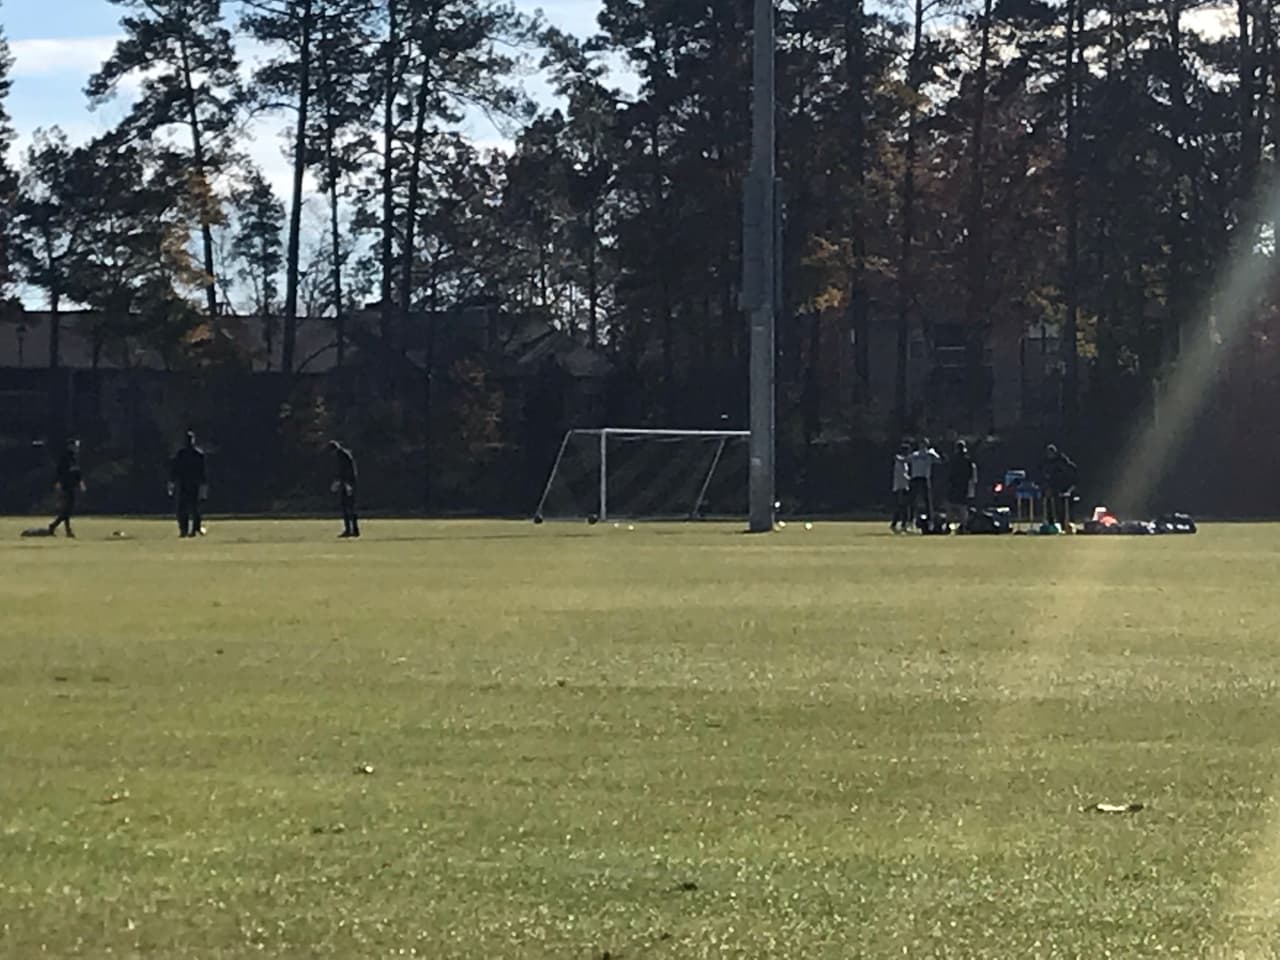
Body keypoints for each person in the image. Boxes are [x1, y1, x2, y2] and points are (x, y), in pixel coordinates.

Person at [169, 430, 208, 538]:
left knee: (183, 509)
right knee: (194, 508)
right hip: (193, 485)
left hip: (183, 484)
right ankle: (194, 529)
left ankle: (184, 530)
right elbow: (202, 473)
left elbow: (175, 470)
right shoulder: (198, 454)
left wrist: (172, 482)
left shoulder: (181, 454)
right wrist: (204, 486)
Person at [48, 438, 86, 538]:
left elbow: (78, 473)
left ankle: (56, 527)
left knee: (67, 510)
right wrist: (58, 483)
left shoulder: (75, 458)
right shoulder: (65, 458)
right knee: (67, 510)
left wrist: (81, 483)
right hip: (66, 486)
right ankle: (61, 528)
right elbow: (59, 472)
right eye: (75, 446)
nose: (77, 448)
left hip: (72, 486)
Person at [908, 437, 942, 529]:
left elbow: (938, 460)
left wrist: (933, 453)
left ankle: (930, 521)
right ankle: (910, 520)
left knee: (927, 501)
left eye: (924, 444)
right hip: (915, 478)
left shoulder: (929, 454)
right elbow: (907, 460)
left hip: (924, 478)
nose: (922, 445)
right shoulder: (915, 454)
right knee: (912, 500)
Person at [1042, 443, 1078, 527]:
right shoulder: (1047, 462)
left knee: (1060, 504)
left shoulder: (1062, 461)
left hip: (1063, 486)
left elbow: (1069, 473)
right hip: (1053, 486)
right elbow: (1046, 475)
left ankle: (1062, 522)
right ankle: (1050, 522)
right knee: (1049, 501)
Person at [330, 440, 360, 539]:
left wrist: (347, 484)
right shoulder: (344, 454)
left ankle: (349, 530)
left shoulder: (342, 456)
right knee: (350, 507)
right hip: (349, 483)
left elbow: (347, 470)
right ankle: (355, 530)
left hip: (348, 484)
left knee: (347, 507)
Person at [947, 440, 978, 530]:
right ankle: (963, 525)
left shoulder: (954, 460)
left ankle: (949, 524)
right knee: (962, 505)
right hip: (963, 485)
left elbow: (950, 473)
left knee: (952, 504)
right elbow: (971, 475)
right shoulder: (968, 460)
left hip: (955, 485)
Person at [890, 441, 912, 534]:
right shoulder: (900, 462)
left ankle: (899, 524)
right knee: (903, 506)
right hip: (901, 486)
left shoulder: (904, 461)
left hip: (904, 486)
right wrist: (910, 479)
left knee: (902, 506)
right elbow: (902, 474)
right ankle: (902, 524)